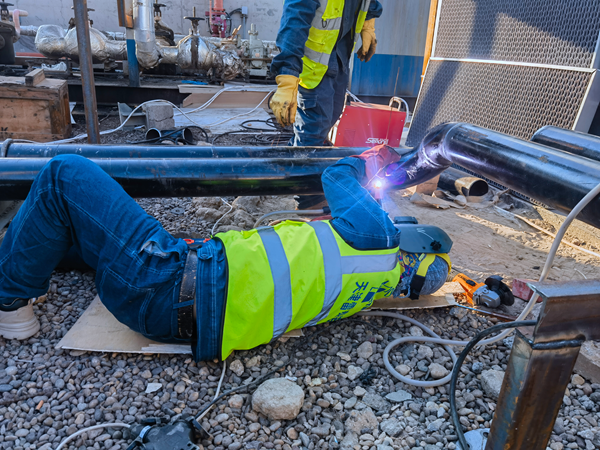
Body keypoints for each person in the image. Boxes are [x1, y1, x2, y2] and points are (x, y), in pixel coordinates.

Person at [0, 146, 450, 361]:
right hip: (183, 315)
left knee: (65, 174)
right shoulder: (369, 286)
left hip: (165, 283)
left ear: (410, 241)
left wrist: (368, 158)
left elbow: (338, 175)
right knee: (81, 229)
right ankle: (26, 256)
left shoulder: (379, 238)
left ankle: (8, 301)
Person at [270, 0, 382, 146]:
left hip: (340, 57)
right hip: (313, 66)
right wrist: (287, 76)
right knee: (313, 132)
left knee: (330, 119)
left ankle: (303, 161)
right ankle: (301, 165)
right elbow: (296, 17)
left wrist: (368, 22)